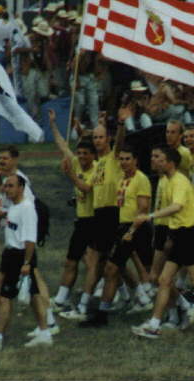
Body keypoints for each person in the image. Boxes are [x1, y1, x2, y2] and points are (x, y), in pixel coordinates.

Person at [131, 147, 194, 341]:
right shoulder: (170, 180)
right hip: (180, 235)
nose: (156, 162)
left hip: (187, 235)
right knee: (164, 280)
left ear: (170, 162)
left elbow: (177, 206)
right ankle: (155, 325)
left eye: (160, 159)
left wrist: (149, 216)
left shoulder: (179, 181)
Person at [60, 108, 128, 321]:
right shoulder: (98, 165)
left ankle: (84, 305)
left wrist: (122, 125)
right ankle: (132, 295)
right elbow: (87, 188)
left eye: (101, 137)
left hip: (110, 213)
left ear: (108, 139)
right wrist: (71, 175)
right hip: (99, 214)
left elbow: (120, 142)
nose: (98, 141)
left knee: (101, 261)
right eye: (95, 137)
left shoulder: (113, 158)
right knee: (105, 262)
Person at [0, 175, 53, 350]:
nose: (7, 189)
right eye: (6, 186)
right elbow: (12, 227)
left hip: (19, 256)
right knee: (34, 295)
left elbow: (30, 240)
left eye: (11, 186)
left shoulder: (27, 208)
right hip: (11, 254)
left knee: (4, 297)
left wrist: (26, 263)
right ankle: (45, 333)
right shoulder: (14, 207)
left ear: (21, 188)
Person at [80, 145, 152, 327]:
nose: (124, 162)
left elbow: (143, 209)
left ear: (136, 160)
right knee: (112, 268)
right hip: (122, 228)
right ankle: (103, 314)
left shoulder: (141, 179)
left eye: (128, 159)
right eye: (121, 159)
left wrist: (131, 232)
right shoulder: (120, 178)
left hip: (137, 229)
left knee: (155, 275)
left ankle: (180, 305)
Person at [49, 109, 98, 312]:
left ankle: (125, 292)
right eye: (79, 153)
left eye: (85, 154)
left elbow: (85, 188)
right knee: (71, 260)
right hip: (81, 220)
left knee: (96, 265)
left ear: (93, 155)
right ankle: (61, 299)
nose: (81, 157)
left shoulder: (98, 169)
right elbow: (62, 145)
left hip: (95, 221)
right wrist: (53, 124)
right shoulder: (76, 162)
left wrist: (70, 175)